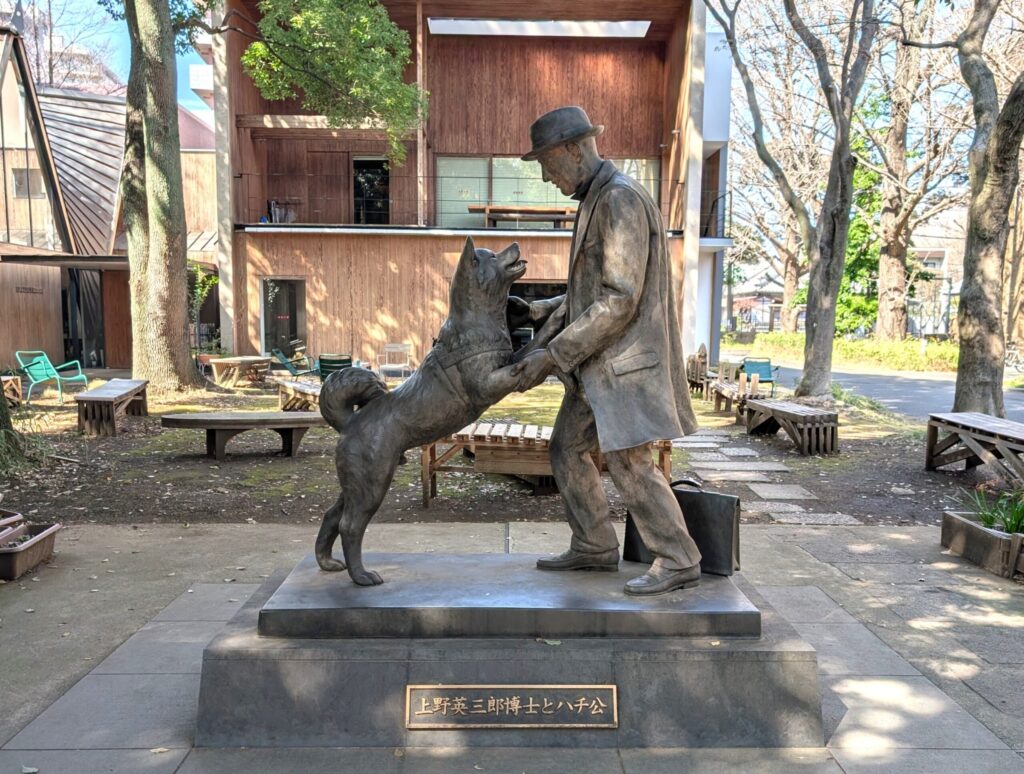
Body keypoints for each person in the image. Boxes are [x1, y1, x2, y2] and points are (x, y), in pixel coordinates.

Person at [511, 106, 702, 596]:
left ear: (575, 150)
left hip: (624, 367)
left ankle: (679, 558)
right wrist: (539, 310)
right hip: (597, 367)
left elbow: (619, 300)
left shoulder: (619, 199)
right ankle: (594, 544)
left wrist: (553, 354)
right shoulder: (596, 198)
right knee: (566, 447)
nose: (547, 177)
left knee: (630, 463)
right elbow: (589, 291)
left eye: (547, 164)